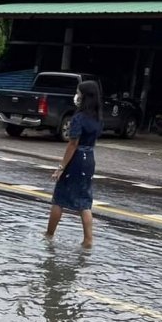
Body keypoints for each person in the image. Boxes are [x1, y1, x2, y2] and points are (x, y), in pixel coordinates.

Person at [46, 80, 103, 248]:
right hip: (89, 158)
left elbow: (73, 144)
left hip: (76, 160)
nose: (76, 96)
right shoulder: (98, 118)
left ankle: (49, 234)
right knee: (84, 202)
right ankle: (88, 240)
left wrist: (61, 167)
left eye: (78, 93)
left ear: (84, 96)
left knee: (59, 199)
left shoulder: (78, 118)